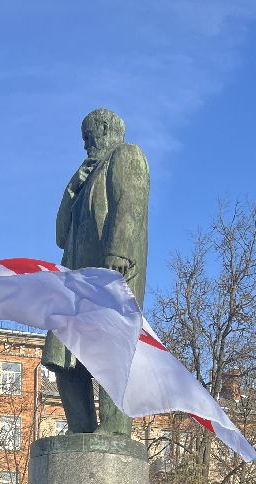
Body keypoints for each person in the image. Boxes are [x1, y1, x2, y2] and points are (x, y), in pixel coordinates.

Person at [41, 107, 149, 434]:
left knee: (110, 350)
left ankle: (115, 429)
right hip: (76, 281)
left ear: (105, 132)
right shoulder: (86, 179)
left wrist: (118, 254)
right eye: (84, 140)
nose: (87, 146)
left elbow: (130, 203)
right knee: (62, 352)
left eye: (90, 138)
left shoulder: (127, 156)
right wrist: (74, 186)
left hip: (111, 271)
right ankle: (81, 429)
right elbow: (61, 235)